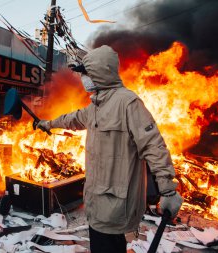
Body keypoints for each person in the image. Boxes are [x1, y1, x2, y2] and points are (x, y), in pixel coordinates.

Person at [37, 45, 183, 252]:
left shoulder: (128, 103)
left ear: (100, 73)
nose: (83, 79)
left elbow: (153, 145)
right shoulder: (95, 107)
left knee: (108, 246)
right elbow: (72, 119)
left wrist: (168, 190)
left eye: (85, 73)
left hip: (117, 204)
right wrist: (47, 124)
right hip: (97, 201)